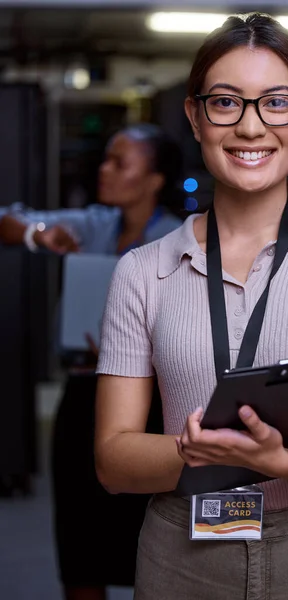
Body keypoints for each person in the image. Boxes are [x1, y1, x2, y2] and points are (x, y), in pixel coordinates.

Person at [95, 13, 288, 600]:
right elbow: (114, 460)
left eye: (276, 103)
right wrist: (197, 453)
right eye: (226, 103)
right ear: (195, 116)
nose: (251, 126)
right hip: (179, 555)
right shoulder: (143, 271)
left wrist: (280, 460)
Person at [0, 124, 184, 600]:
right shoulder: (93, 224)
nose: (104, 170)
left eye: (120, 162)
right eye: (106, 159)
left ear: (155, 178)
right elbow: (7, 221)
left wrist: (132, 353)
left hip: (155, 405)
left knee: (155, 536)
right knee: (80, 538)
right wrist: (40, 236)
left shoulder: (181, 240)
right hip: (84, 394)